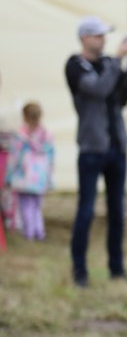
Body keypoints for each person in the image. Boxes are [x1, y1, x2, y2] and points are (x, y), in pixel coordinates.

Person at [65, 16, 127, 286]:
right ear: (85, 38)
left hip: (116, 147)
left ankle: (117, 269)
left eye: (104, 36)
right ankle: (79, 271)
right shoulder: (75, 66)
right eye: (98, 36)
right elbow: (98, 89)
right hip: (91, 149)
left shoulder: (111, 64)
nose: (103, 40)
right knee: (86, 211)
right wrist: (117, 61)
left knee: (117, 213)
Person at [5, 102, 55, 240]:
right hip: (40, 177)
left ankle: (29, 232)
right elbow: (51, 158)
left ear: (25, 117)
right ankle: (39, 231)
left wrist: (9, 176)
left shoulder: (20, 136)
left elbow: (14, 157)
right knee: (37, 206)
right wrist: (49, 177)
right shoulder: (47, 136)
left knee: (25, 205)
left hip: (24, 176)